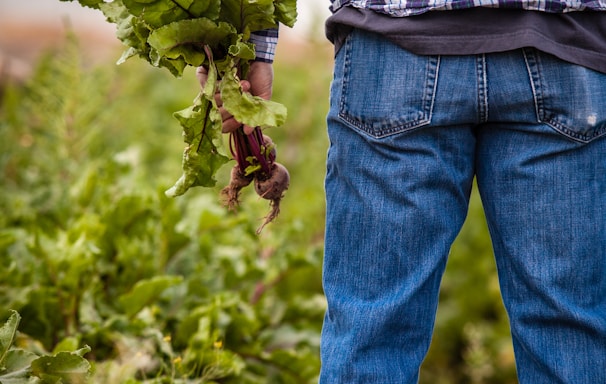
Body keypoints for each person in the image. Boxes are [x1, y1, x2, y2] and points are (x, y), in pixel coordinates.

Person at [200, 2, 606, 382]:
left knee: (371, 335)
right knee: (571, 334)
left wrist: (246, 47)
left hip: (392, 52)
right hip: (565, 50)